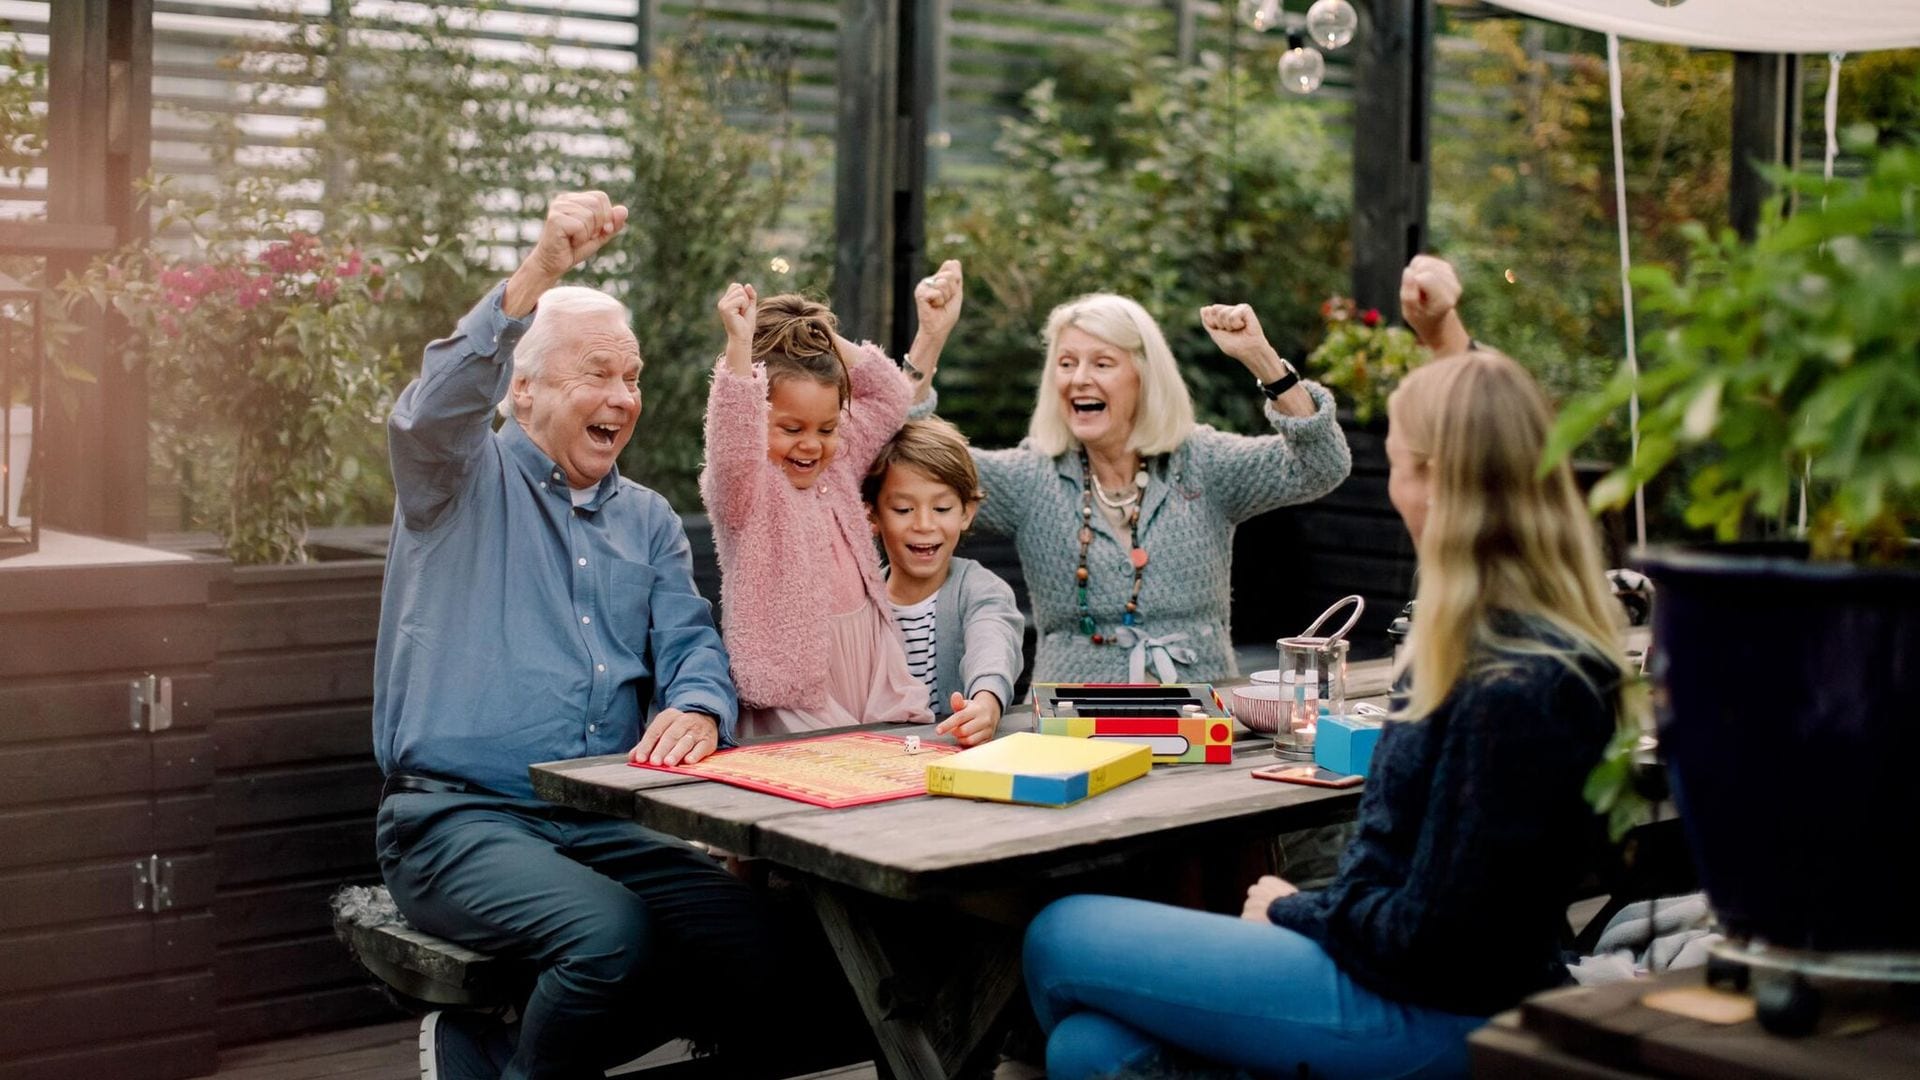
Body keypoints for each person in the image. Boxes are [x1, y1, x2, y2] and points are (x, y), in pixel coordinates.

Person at [1019, 324, 1629, 1078]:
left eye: (1397, 464)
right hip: (1399, 973)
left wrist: (1289, 910)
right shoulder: (1479, 642)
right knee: (1091, 1052)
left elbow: (1439, 937)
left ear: (1434, 482)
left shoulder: (1516, 684)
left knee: (1057, 932)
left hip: (1439, 1010)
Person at [374, 192, 770, 1079]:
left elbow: (691, 642)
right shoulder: (454, 482)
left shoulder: (650, 522)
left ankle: (497, 1054)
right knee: (611, 938)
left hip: (600, 816)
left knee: (755, 941)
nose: (622, 398)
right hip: (454, 818)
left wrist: (702, 707)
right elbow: (428, 413)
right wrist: (543, 269)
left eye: (631, 378)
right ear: (524, 389)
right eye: (598, 373)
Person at [907, 272, 1351, 685]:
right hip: (1073, 728)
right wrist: (930, 338)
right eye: (1066, 363)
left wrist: (1262, 360)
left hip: (1197, 722)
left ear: (1144, 378)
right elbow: (908, 455)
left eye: (1102, 364)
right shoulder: (1030, 478)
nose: (1079, 379)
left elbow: (1322, 465)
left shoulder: (1204, 463)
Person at [700, 264, 965, 737]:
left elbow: (889, 397)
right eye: (791, 429)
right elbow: (731, 437)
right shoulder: (747, 489)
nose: (811, 445)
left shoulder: (838, 462)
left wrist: (822, 335)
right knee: (827, 780)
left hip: (870, 660)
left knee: (900, 758)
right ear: (760, 419)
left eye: (826, 428)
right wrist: (740, 347)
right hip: (796, 682)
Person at [862, 416, 1025, 746]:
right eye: (904, 509)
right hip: (871, 762)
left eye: (941, 508)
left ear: (966, 512)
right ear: (873, 515)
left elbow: (992, 642)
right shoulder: (861, 599)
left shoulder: (980, 589)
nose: (924, 524)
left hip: (953, 759)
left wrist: (986, 703)